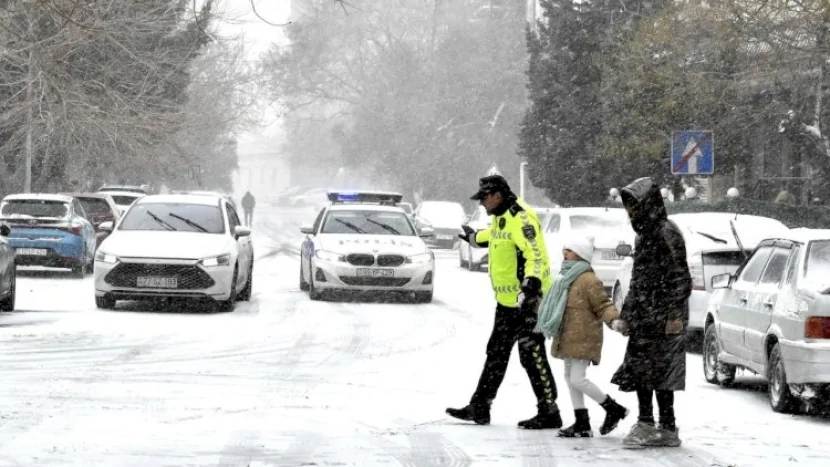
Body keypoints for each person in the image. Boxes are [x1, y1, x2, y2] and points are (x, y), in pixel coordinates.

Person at [446, 174, 562, 429]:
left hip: (527, 302)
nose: (481, 204)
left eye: (484, 199)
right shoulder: (501, 217)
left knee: (531, 354)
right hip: (507, 303)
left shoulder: (521, 217)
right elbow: (497, 236)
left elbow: (536, 254)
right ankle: (480, 406)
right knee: (496, 354)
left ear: (496, 195)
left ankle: (549, 410)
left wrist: (531, 284)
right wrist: (475, 238)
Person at [611, 177, 692, 448]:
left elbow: (680, 278)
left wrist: (673, 316)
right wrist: (628, 313)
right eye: (627, 205)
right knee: (644, 371)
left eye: (633, 204)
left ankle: (657, 425)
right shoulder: (645, 233)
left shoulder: (665, 233)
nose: (629, 210)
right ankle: (657, 425)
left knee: (658, 373)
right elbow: (638, 278)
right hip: (646, 315)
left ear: (647, 204)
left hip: (661, 316)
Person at [535, 235, 629, 438]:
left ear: (580, 255)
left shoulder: (588, 279)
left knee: (577, 379)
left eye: (569, 250)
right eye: (564, 249)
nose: (564, 253)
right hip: (568, 336)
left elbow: (603, 304)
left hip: (583, 336)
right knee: (570, 379)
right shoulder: (564, 278)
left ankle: (613, 408)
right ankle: (582, 422)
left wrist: (614, 321)